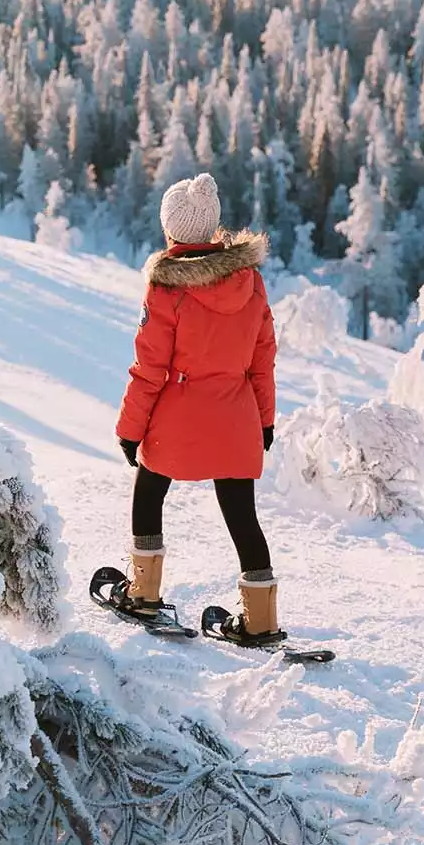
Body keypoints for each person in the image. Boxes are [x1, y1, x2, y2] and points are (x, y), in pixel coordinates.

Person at [115, 173, 284, 644]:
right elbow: (262, 361)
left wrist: (130, 430)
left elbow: (149, 369)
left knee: (149, 492)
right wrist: (264, 422)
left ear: (170, 231)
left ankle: (143, 593)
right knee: (242, 515)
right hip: (236, 418)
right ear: (212, 230)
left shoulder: (166, 288)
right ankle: (262, 619)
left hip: (178, 419)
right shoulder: (250, 281)